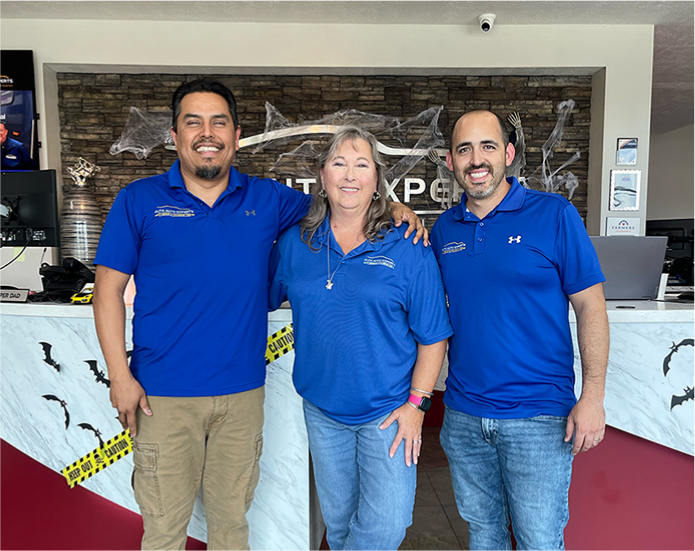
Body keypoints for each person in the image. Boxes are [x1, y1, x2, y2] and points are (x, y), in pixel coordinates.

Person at [92, 79, 424, 551]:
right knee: (164, 532)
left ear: (236, 134)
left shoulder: (266, 199)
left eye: (218, 122)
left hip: (242, 398)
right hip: (162, 397)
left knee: (231, 528)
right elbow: (107, 292)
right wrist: (119, 376)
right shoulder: (139, 201)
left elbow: (342, 197)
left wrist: (392, 205)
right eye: (194, 122)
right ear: (174, 134)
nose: (207, 133)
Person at [431, 110, 609, 551]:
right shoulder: (443, 230)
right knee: (484, 536)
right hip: (465, 416)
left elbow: (590, 305)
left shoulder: (553, 215)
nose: (476, 159)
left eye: (487, 146)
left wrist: (593, 396)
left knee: (539, 542)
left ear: (508, 154)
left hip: (539, 419)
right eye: (464, 149)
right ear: (451, 161)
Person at [269, 127, 453, 551]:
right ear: (322, 176)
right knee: (339, 525)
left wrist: (417, 406)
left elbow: (433, 336)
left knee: (385, 527)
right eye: (339, 163)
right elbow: (259, 296)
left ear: (377, 181)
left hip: (389, 415)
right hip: (323, 412)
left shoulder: (408, 244)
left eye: (361, 165)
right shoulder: (296, 243)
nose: (349, 175)